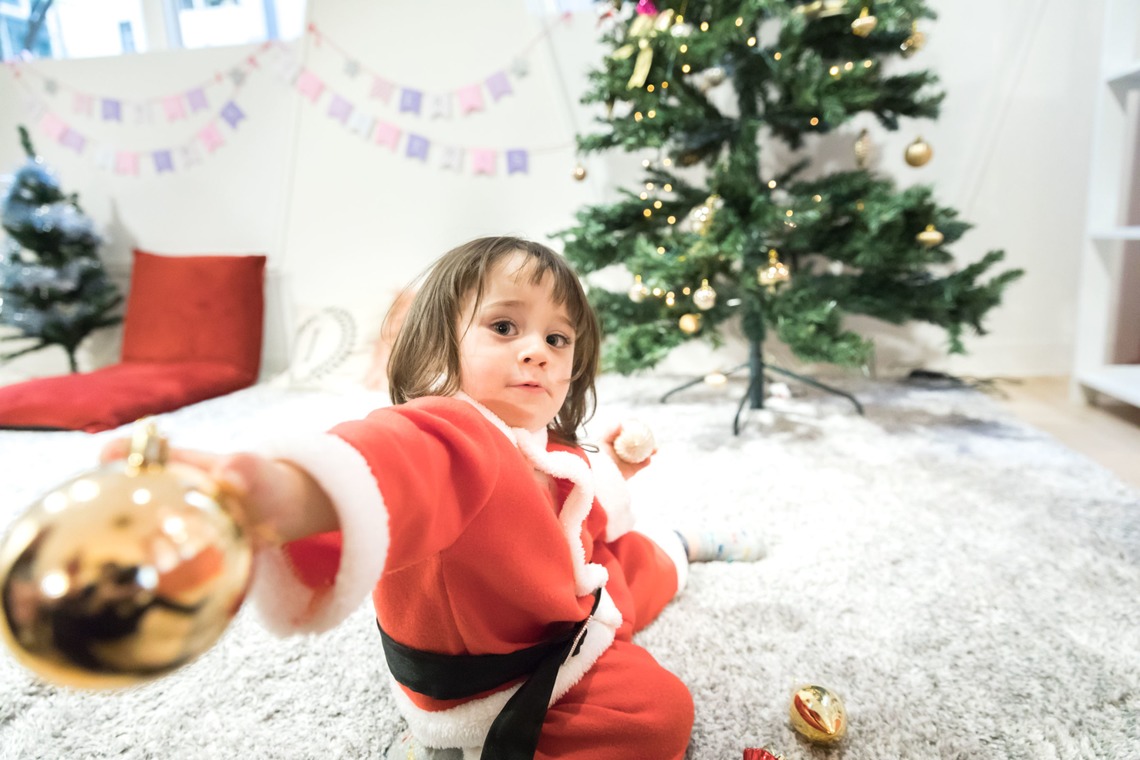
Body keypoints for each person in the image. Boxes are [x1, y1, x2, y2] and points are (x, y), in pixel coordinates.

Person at [103, 236, 761, 760]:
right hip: (500, 675)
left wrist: (611, 465)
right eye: (505, 327)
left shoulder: (538, 437)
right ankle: (457, 745)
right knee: (659, 713)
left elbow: (574, 493)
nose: (537, 351)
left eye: (558, 339)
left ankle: (679, 547)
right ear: (437, 345)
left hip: (560, 591)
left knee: (624, 562)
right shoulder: (448, 431)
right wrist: (279, 492)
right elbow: (380, 465)